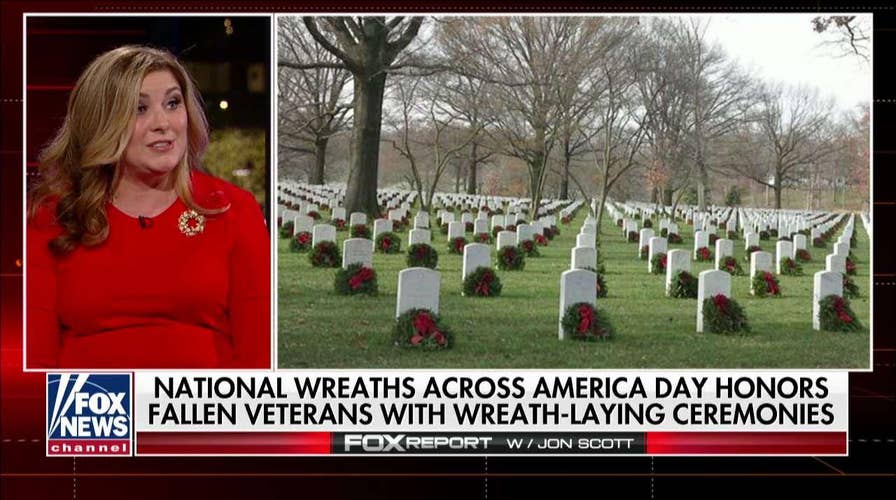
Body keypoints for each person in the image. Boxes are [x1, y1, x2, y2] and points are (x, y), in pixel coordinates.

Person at [27, 45, 270, 368]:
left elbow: (259, 353)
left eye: (173, 103)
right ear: (102, 122)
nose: (163, 123)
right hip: (92, 399)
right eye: (139, 108)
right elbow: (36, 360)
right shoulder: (54, 216)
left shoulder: (233, 210)